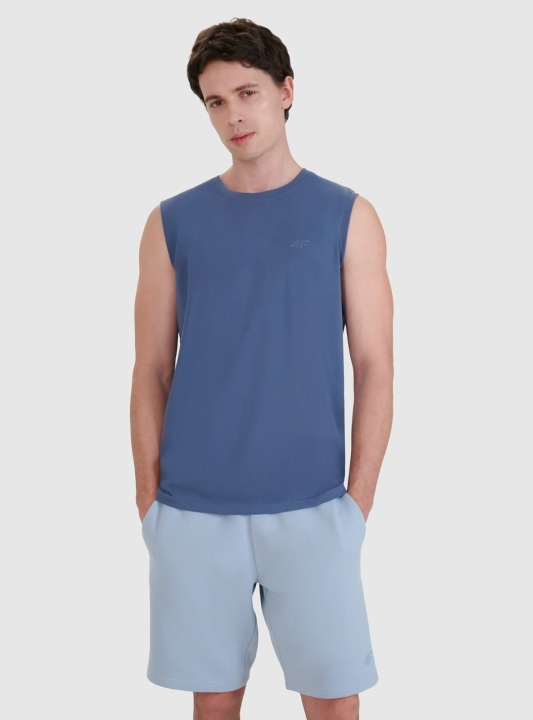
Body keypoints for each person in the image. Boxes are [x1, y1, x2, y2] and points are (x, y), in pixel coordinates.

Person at [130, 17, 394, 720]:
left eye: (247, 93)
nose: (233, 116)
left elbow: (375, 365)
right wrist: (149, 498)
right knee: (215, 704)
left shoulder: (348, 215)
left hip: (314, 508)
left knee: (333, 703)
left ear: (287, 91)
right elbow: (151, 368)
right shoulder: (171, 222)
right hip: (193, 511)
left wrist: (356, 504)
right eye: (216, 102)